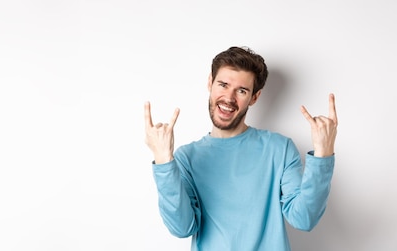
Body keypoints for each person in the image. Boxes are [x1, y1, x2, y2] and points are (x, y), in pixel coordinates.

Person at [143, 46, 338, 251]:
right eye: (223, 85)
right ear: (210, 82)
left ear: (254, 97)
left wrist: (323, 155)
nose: (229, 98)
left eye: (242, 91)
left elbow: (303, 219)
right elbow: (182, 228)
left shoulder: (280, 149)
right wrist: (164, 160)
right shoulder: (187, 157)